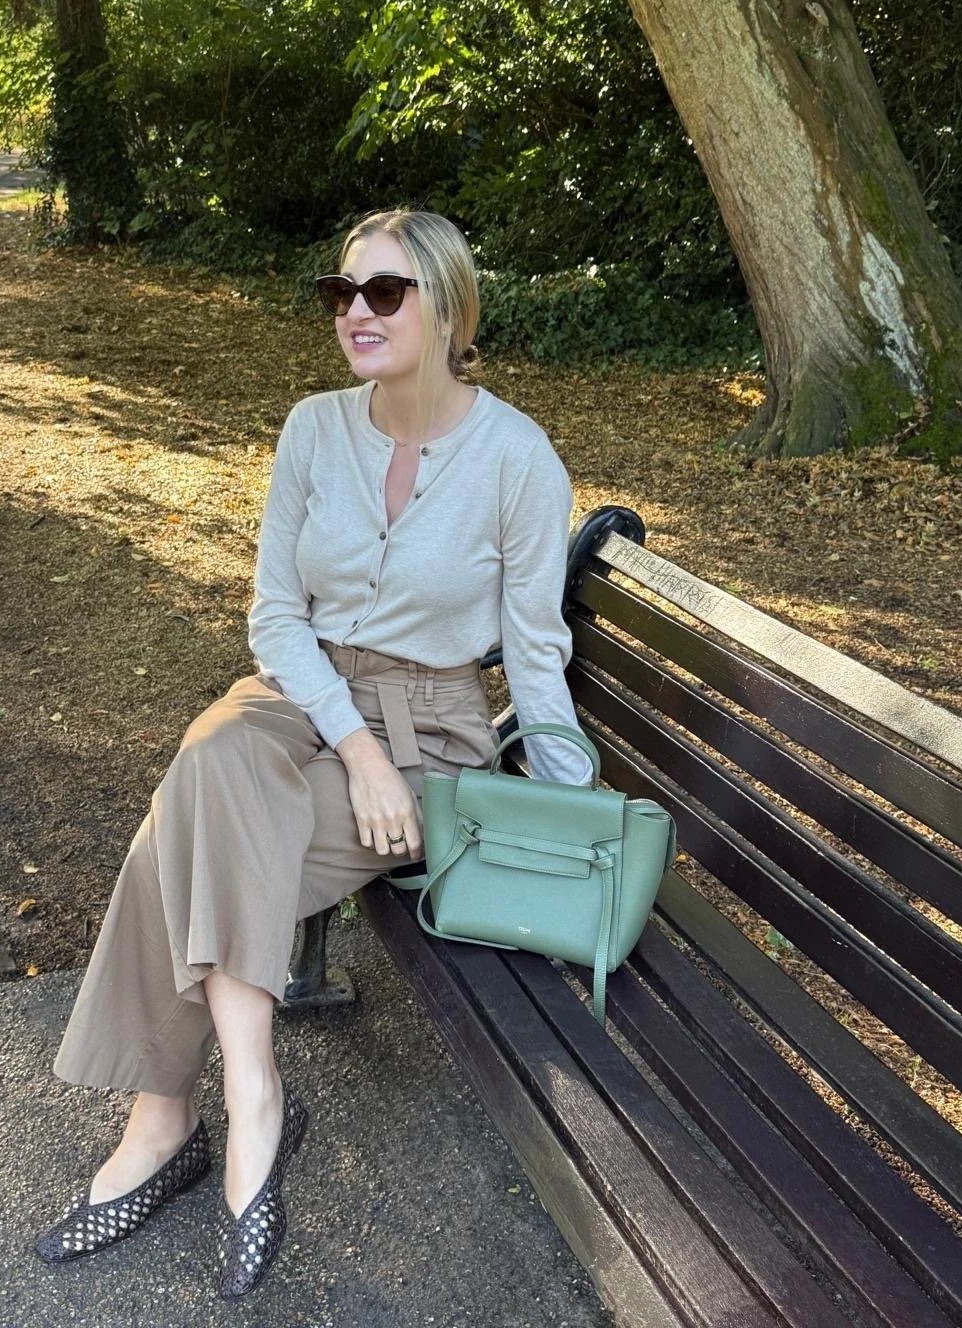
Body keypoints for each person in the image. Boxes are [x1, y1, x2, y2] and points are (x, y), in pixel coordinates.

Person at [32, 208, 594, 1297]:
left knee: (182, 831)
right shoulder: (313, 427)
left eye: (384, 293)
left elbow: (534, 654)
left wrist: (569, 819)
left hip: (434, 733)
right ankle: (255, 1096)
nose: (356, 313)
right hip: (303, 694)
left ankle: (161, 1123)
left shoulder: (517, 459)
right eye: (343, 293)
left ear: (449, 307)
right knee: (213, 757)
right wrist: (356, 748)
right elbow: (275, 616)